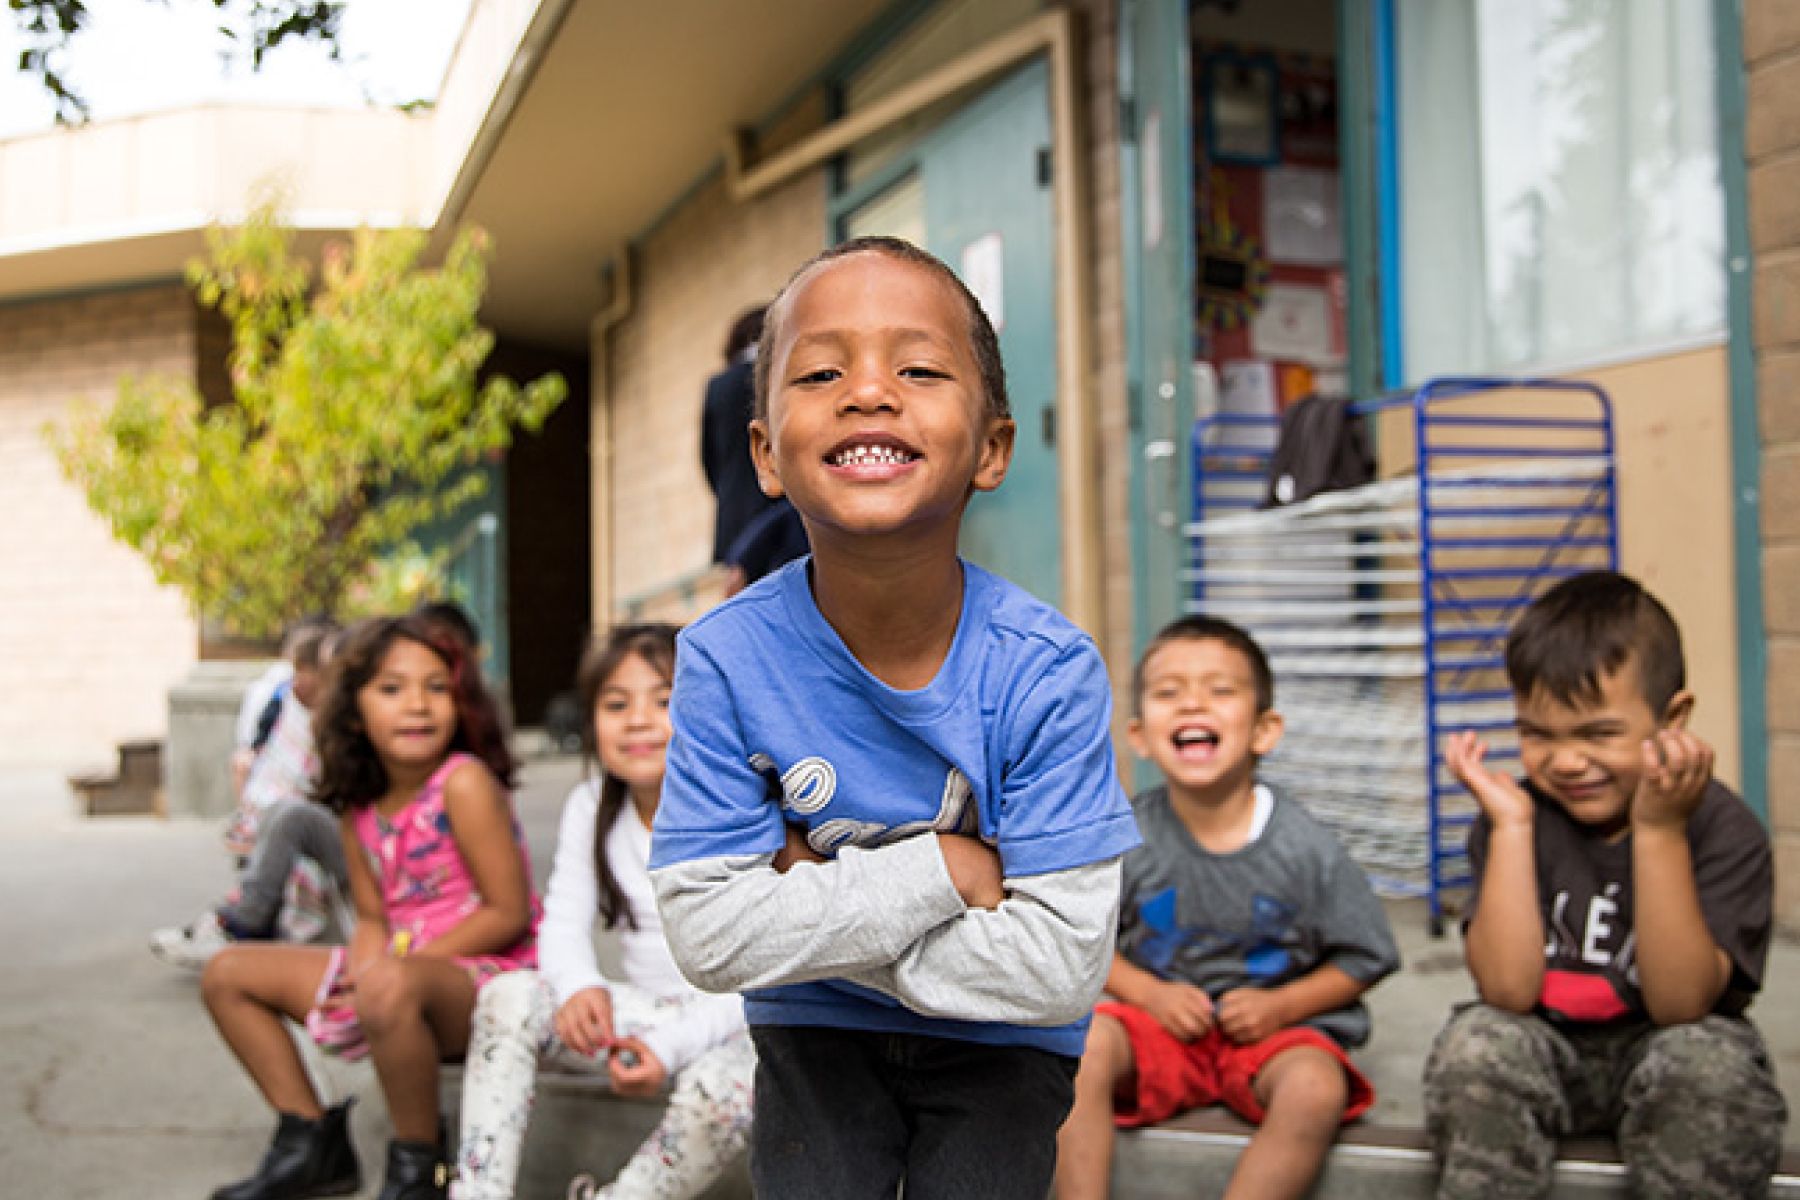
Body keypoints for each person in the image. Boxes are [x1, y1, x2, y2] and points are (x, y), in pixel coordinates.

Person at [649, 236, 1141, 1199]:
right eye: (822, 370)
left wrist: (811, 893)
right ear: (765, 455)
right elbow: (707, 934)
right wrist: (941, 872)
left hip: (1009, 1045)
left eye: (917, 368)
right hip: (813, 1034)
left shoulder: (1047, 671)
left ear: (992, 448)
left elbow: (1056, 967)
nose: (868, 391)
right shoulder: (724, 656)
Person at [1423, 571, 1788, 1199]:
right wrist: (1511, 825)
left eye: (1597, 734)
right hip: (1545, 1045)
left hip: (1669, 1046)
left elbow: (1680, 1006)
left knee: (1710, 1070)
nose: (1565, 762)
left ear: (1672, 717)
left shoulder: (1726, 832)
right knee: (1476, 1046)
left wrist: (1659, 830)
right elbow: (1507, 992)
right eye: (1537, 733)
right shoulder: (1516, 815)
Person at [1054, 616, 1399, 1200]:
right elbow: (1080, 941)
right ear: (1138, 735)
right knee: (1079, 1049)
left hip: (1276, 1034)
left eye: (1219, 690)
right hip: (1158, 1028)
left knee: (1316, 1087)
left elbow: (1367, 958)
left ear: (1265, 730)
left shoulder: (1306, 846)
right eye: (1169, 692)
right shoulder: (1127, 835)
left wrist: (1281, 1005)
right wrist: (1150, 995)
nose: (1192, 703)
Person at [199, 614, 540, 1200]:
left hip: (485, 980)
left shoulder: (464, 783)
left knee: (387, 985)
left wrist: (397, 972)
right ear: (353, 709)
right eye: (392, 688)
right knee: (227, 974)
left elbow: (506, 912)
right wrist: (362, 973)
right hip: (397, 969)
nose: (417, 705)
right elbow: (374, 917)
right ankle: (310, 1139)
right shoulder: (359, 804)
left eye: (437, 688)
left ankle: (417, 1169)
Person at [452, 624, 754, 1200]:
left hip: (738, 1025)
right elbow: (562, 922)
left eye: (665, 701)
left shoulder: (740, 813)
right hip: (647, 1015)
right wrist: (579, 988)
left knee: (731, 1083)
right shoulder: (591, 805)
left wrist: (670, 1050)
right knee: (508, 995)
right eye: (617, 703)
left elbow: (762, 981)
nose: (638, 720)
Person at [153, 620, 347, 970]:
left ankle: (246, 922)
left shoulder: (351, 728)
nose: (298, 680)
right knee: (280, 814)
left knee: (288, 815)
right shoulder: (297, 710)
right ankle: (240, 918)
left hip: (371, 848)